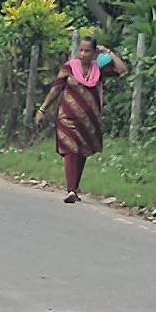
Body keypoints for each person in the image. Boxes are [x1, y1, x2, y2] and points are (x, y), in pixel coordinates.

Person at [44, 31, 122, 200]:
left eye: (87, 51)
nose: (83, 54)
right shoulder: (69, 67)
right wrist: (42, 109)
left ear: (94, 53)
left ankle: (75, 188)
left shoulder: (99, 70)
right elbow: (56, 89)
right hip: (67, 117)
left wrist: (108, 52)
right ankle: (71, 190)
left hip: (89, 121)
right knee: (70, 150)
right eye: (81, 50)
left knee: (81, 152)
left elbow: (122, 70)